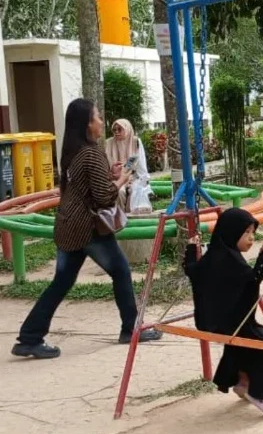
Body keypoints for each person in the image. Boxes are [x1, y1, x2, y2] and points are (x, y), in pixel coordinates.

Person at [12, 98, 162, 360]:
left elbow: (81, 187)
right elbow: (104, 197)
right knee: (121, 271)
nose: (102, 122)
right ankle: (131, 328)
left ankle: (29, 337)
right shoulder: (92, 153)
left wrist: (109, 174)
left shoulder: (71, 152)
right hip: (88, 228)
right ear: (86, 123)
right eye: (97, 117)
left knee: (61, 282)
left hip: (68, 225)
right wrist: (122, 179)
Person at [185, 208, 263, 417]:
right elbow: (252, 280)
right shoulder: (231, 261)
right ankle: (261, 395)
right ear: (231, 232)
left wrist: (191, 248)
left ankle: (242, 382)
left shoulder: (214, 255)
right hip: (228, 323)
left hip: (209, 321)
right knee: (262, 340)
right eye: (246, 232)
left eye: (252, 232)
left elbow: (191, 269)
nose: (251, 238)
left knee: (239, 341)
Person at [105, 118, 153, 213]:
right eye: (114, 130)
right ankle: (119, 219)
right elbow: (107, 163)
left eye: (120, 129)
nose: (116, 132)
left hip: (133, 176)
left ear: (127, 129)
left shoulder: (135, 142)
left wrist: (142, 181)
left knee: (135, 192)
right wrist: (115, 171)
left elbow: (140, 164)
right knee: (119, 192)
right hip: (115, 177)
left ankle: (132, 221)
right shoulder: (109, 143)